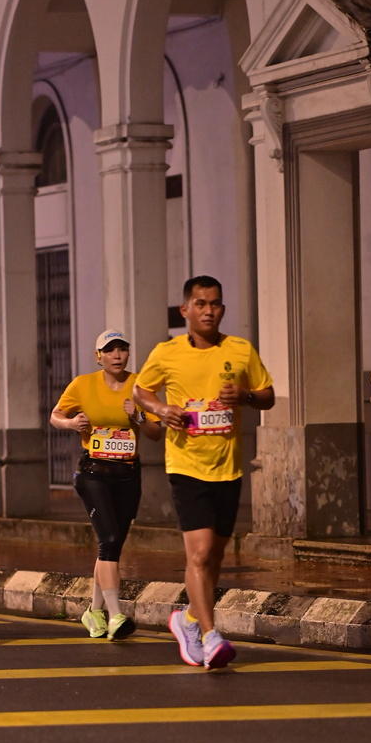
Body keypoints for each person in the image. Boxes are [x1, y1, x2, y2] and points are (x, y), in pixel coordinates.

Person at [133, 275, 275, 670]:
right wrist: (162, 410)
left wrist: (245, 395)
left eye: (214, 304)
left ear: (222, 309)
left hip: (227, 467)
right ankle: (211, 636)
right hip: (186, 465)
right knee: (198, 553)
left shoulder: (240, 350)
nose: (208, 311)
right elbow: (141, 390)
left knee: (214, 556)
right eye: (200, 304)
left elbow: (267, 395)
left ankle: (188, 619)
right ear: (185, 310)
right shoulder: (167, 353)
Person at [51, 328, 161, 641]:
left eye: (121, 349)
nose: (116, 355)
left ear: (128, 353)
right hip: (93, 472)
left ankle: (93, 611)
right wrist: (72, 423)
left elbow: (156, 432)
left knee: (111, 546)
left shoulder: (140, 385)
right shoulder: (83, 384)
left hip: (128, 474)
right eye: (109, 350)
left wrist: (138, 416)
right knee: (109, 538)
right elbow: (55, 415)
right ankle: (115, 615)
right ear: (98, 356)